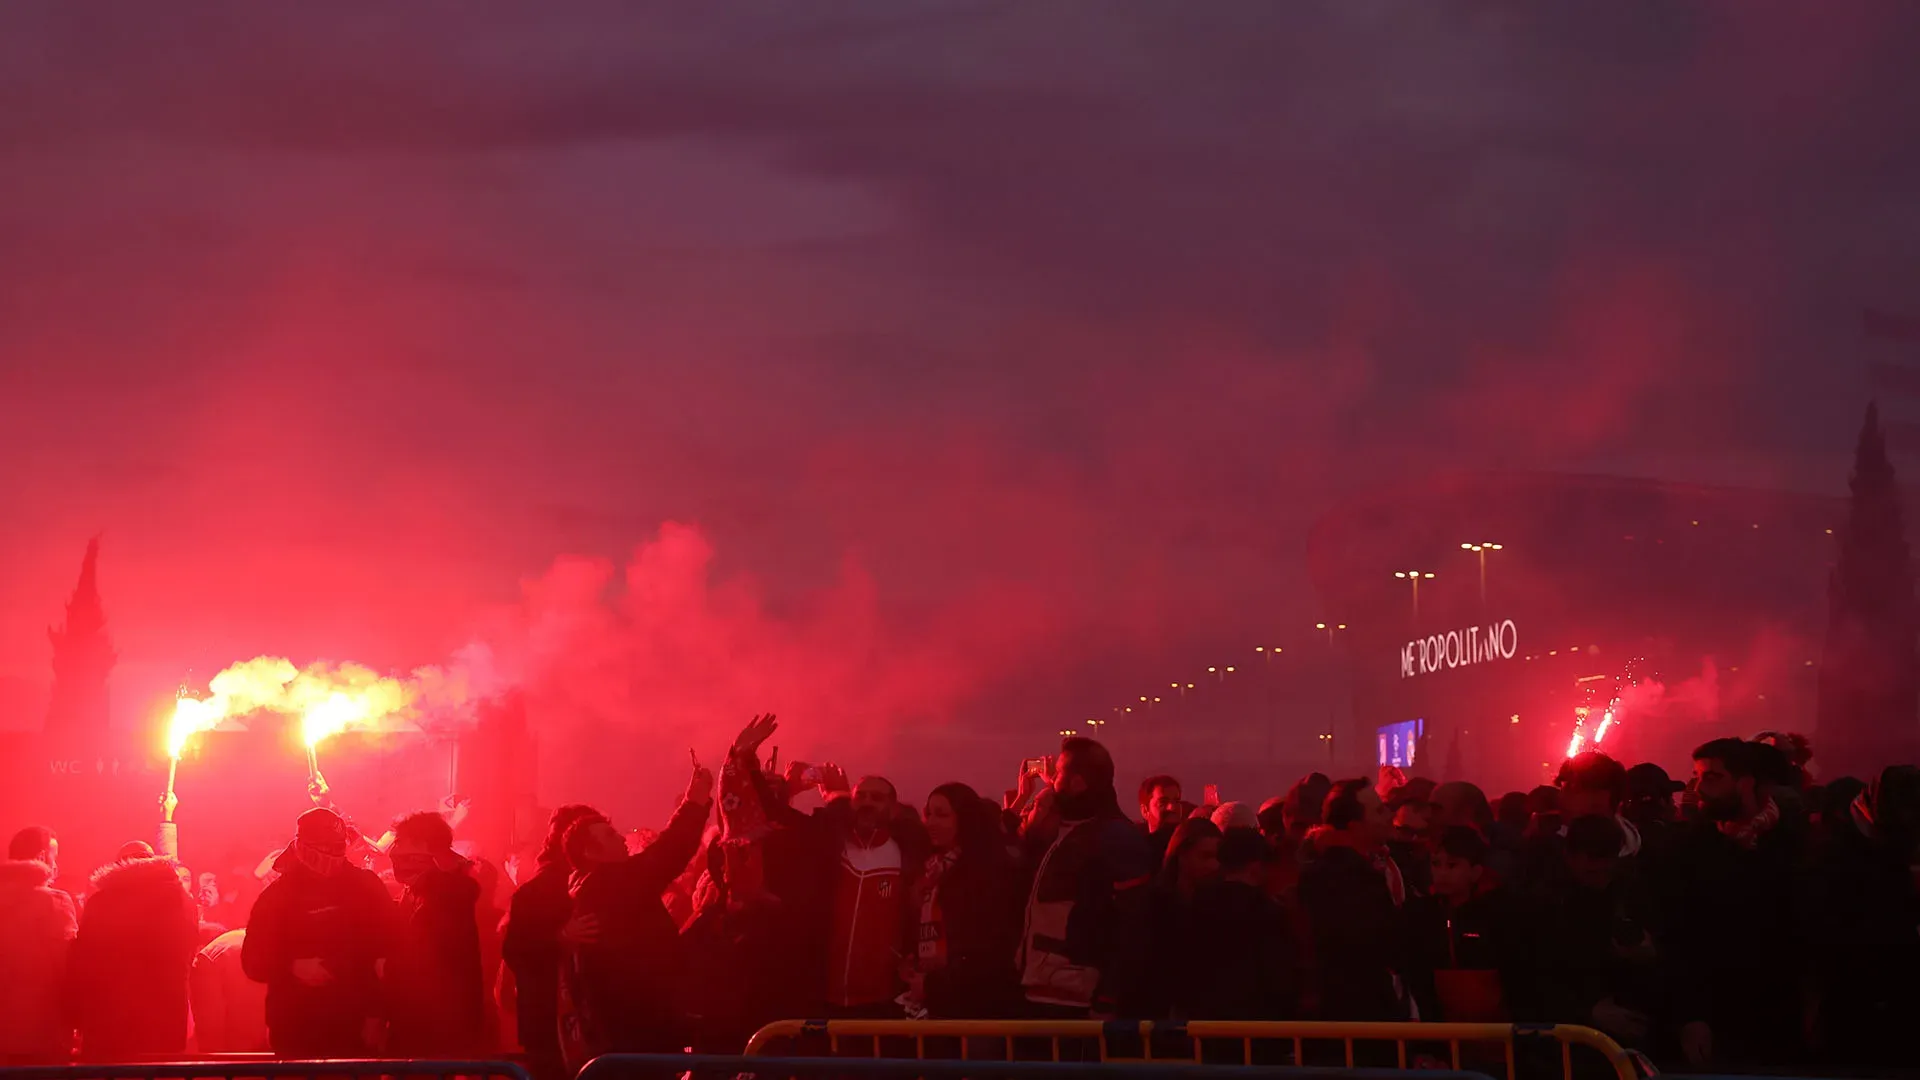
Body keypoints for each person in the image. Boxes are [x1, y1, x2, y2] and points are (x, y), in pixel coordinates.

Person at [558, 760, 712, 1068]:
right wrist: (693, 803)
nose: (622, 841)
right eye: (611, 837)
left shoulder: (585, 890)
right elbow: (667, 855)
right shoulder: (610, 884)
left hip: (616, 1035)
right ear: (590, 853)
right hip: (636, 1035)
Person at [1665, 738, 1803, 1068]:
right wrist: (1691, 1016)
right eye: (1697, 777)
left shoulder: (1792, 844)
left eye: (1712, 777)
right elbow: (1679, 939)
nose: (1699, 788)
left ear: (1746, 782)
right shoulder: (1688, 850)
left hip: (1781, 1020)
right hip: (1715, 1021)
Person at [1017, 736, 1156, 1019]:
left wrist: (1109, 996)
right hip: (1042, 991)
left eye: (1058, 774)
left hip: (1077, 1000)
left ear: (1078, 783)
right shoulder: (1064, 833)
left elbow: (1136, 925)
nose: (1052, 781)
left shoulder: (1114, 837)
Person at [243, 807, 397, 1057]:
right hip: (296, 1028)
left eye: (336, 847)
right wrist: (290, 966)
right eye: (322, 847)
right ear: (301, 846)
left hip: (355, 1025)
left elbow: (389, 953)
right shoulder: (277, 896)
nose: (330, 856)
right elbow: (252, 961)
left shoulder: (366, 887)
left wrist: (378, 1014)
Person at [1531, 815, 1661, 1046]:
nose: (1601, 880)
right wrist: (1586, 1010)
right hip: (1571, 1039)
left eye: (1606, 872)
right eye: (1592, 873)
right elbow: (1531, 976)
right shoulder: (1545, 903)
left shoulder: (1633, 890)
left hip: (1633, 1025)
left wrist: (1650, 956)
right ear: (1568, 857)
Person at [502, 804, 602, 1080]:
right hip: (552, 1020)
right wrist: (559, 938)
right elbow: (514, 951)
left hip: (584, 1019)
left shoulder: (599, 883)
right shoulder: (537, 891)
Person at [67, 852, 199, 1059]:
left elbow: (82, 962)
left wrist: (77, 1016)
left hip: (107, 1022)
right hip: (165, 1021)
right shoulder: (181, 901)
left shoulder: (101, 902)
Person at [1297, 779, 1408, 1021]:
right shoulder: (1352, 876)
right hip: (1359, 1014)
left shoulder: (1320, 867)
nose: (1390, 815)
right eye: (1379, 811)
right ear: (1355, 826)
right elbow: (1382, 945)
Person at [910, 781, 1021, 1019]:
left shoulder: (987, 870)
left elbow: (987, 949)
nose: (931, 823)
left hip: (977, 1003)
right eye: (928, 814)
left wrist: (932, 984)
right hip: (937, 998)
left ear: (965, 818)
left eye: (942, 815)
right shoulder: (932, 871)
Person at [384, 810, 486, 1055]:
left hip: (436, 1022)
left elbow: (426, 956)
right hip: (417, 1016)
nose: (396, 852)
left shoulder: (447, 893)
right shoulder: (416, 891)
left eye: (404, 842)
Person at [1407, 826, 1529, 1023]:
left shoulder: (1501, 911)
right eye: (1436, 864)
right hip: (1442, 1030)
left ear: (1475, 871)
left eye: (1452, 865)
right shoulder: (1422, 913)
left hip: (1499, 1028)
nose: (1442, 873)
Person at [1182, 827, 1297, 1020]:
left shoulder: (1197, 904)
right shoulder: (1267, 912)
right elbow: (1279, 977)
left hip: (1206, 1022)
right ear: (1256, 867)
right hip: (1256, 1023)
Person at [1118, 818, 1221, 1018]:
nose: (1214, 865)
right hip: (1157, 1017)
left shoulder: (1216, 904)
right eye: (1206, 856)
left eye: (1218, 857)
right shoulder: (1152, 904)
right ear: (1182, 855)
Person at [0, 827, 78, 1063]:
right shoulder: (54, 902)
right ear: (43, 857)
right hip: (42, 1031)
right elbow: (69, 966)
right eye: (55, 856)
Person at [191, 929, 269, 1053]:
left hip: (233, 1057)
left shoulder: (207, 959)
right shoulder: (260, 941)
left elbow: (210, 1027)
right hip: (276, 1054)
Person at [1139, 775, 1184, 864]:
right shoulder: (1138, 852)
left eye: (1176, 801)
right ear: (1145, 811)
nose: (1172, 807)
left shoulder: (1187, 849)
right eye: (1162, 802)